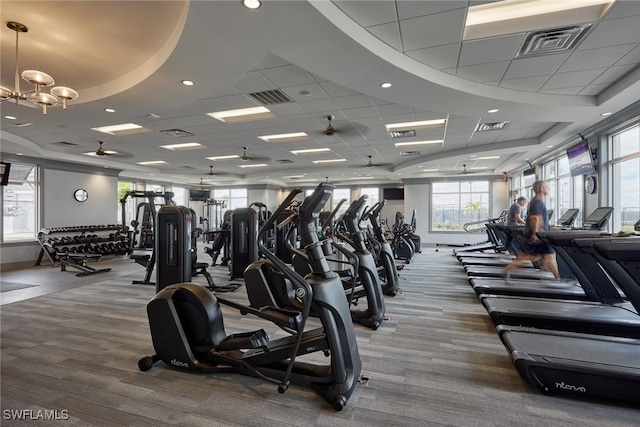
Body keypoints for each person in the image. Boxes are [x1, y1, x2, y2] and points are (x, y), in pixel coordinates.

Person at [504, 180, 560, 280]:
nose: (549, 189)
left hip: (540, 234)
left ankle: (557, 278)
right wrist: (535, 234)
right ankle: (558, 279)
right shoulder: (537, 201)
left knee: (541, 256)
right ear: (542, 188)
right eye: (547, 187)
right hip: (538, 236)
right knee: (537, 256)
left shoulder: (536, 201)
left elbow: (539, 219)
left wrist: (549, 227)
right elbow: (535, 218)